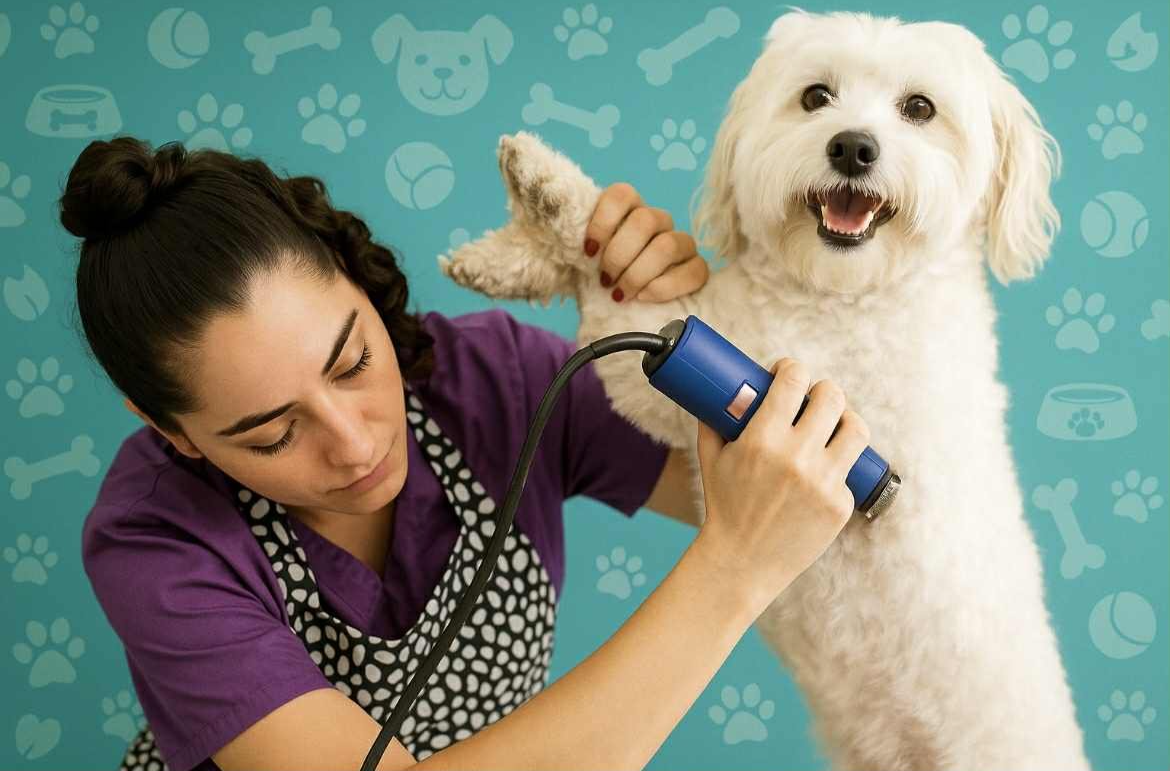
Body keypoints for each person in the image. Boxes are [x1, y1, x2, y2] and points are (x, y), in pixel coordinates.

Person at [65, 136, 868, 771]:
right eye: (273, 433)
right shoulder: (154, 537)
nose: (355, 444)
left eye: (352, 363)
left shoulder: (496, 382)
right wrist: (732, 571)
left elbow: (802, 485)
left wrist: (703, 321)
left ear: (354, 278)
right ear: (169, 429)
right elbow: (751, 531)